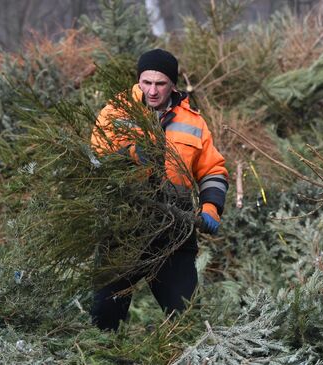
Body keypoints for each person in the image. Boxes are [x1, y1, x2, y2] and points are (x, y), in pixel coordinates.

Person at [89, 48, 229, 331]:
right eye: (146, 82)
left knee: (185, 319)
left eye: (160, 84)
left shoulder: (193, 121)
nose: (152, 91)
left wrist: (212, 205)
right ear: (138, 81)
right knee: (104, 317)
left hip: (173, 232)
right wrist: (128, 154)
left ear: (173, 85)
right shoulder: (115, 113)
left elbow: (213, 170)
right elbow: (96, 157)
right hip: (124, 229)